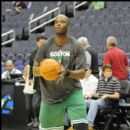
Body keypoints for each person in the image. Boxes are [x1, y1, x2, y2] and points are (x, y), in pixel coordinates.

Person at [33, 14, 88, 130]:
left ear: (68, 26)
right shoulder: (45, 46)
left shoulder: (76, 45)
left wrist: (67, 72)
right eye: (56, 22)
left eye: (62, 22)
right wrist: (45, 70)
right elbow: (35, 70)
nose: (58, 23)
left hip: (72, 92)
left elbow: (83, 73)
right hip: (50, 96)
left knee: (81, 126)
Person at [85, 64, 120, 130]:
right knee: (82, 102)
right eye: (107, 71)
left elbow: (117, 96)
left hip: (109, 102)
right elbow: (98, 94)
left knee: (94, 103)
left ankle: (89, 125)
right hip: (99, 100)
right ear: (103, 72)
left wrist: (107, 95)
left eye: (110, 71)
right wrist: (91, 95)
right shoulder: (100, 80)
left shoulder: (115, 80)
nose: (109, 72)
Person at [24, 35, 47, 128]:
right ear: (37, 43)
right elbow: (31, 67)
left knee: (45, 103)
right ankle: (36, 119)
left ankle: (42, 121)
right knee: (35, 103)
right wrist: (30, 78)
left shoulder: (49, 53)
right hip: (37, 82)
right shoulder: (33, 53)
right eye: (41, 43)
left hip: (48, 82)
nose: (43, 44)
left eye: (45, 43)